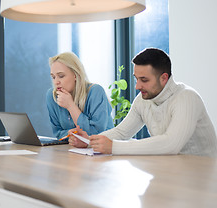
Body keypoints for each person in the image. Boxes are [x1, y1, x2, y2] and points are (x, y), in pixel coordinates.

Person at [69, 48, 217, 157]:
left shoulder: (187, 98)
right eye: (136, 79)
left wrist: (114, 147)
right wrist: (89, 141)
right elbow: (122, 132)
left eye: (144, 80)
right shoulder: (143, 99)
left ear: (164, 78)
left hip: (202, 177)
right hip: (173, 170)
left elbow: (171, 144)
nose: (137, 86)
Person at [46, 52, 114, 140]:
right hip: (73, 149)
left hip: (102, 150)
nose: (56, 82)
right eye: (53, 77)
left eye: (61, 76)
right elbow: (58, 132)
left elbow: (96, 133)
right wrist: (69, 133)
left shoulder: (96, 91)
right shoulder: (52, 96)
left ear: (75, 75)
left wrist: (70, 106)